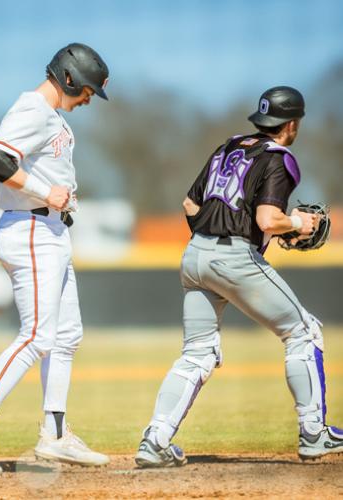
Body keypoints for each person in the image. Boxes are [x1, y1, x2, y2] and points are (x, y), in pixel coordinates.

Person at [135, 86, 343, 468]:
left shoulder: (230, 144)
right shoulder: (281, 157)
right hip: (234, 259)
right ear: (292, 124)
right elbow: (267, 219)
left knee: (197, 353)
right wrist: (297, 221)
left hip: (194, 254)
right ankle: (314, 433)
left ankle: (155, 439)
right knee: (304, 332)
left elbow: (189, 203)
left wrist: (211, 236)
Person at [0, 43, 110, 475]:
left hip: (52, 230)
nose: (89, 98)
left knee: (67, 334)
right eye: (88, 90)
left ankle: (55, 435)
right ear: (70, 78)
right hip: (31, 226)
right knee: (38, 335)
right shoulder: (33, 107)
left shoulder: (53, 117)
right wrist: (44, 192)